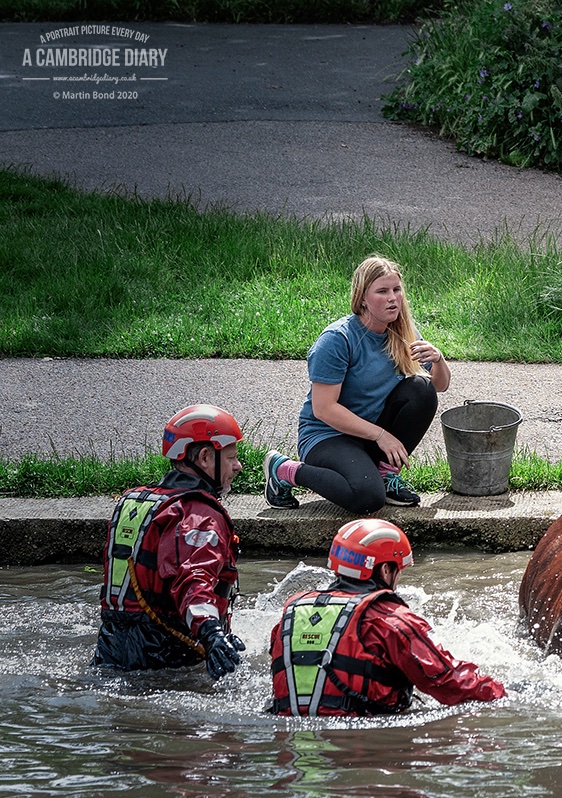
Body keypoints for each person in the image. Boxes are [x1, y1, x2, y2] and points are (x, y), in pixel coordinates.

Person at [264, 255, 450, 513]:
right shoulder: (337, 339)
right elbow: (324, 409)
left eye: (396, 290)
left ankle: (385, 475)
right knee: (367, 499)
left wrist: (438, 359)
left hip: (366, 433)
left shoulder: (403, 332)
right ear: (362, 297)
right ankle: (284, 469)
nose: (393, 298)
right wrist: (381, 436)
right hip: (327, 436)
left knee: (422, 389)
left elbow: (440, 386)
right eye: (382, 291)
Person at [268, 518, 506, 715]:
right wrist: (505, 693)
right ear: (385, 569)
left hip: (294, 743)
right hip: (363, 746)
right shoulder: (392, 620)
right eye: (398, 569)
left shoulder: (291, 614)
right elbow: (448, 682)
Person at [94, 404, 247, 681]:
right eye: (231, 457)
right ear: (204, 457)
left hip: (111, 647)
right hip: (166, 656)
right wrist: (213, 636)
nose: (238, 466)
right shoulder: (198, 513)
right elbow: (193, 579)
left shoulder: (135, 501)